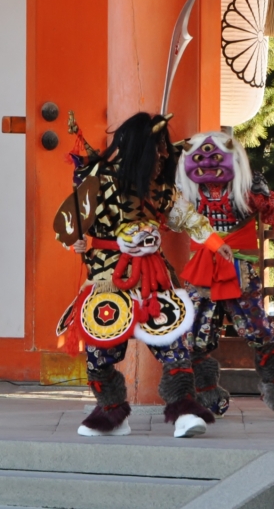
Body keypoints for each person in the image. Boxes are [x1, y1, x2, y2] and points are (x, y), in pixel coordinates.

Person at [62, 112, 219, 438]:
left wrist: (218, 245)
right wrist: (74, 238)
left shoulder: (160, 189)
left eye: (164, 148)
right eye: (158, 147)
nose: (163, 154)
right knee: (99, 350)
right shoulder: (98, 180)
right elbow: (69, 221)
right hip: (107, 273)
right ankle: (111, 412)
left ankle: (184, 411)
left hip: (152, 273)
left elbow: (190, 221)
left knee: (174, 344)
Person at [175, 131, 274, 420]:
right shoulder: (186, 192)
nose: (207, 166)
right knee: (194, 333)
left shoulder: (249, 188)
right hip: (202, 268)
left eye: (216, 159)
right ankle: (206, 393)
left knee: (258, 329)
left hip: (239, 268)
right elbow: (168, 218)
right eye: (199, 160)